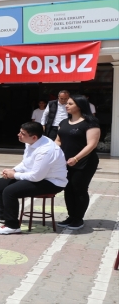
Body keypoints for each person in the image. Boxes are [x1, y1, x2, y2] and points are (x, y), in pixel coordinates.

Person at [0, 122, 67, 234]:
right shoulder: (30, 141)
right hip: (38, 176)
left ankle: (12, 226)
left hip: (52, 182)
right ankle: (1, 215)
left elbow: (36, 176)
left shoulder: (46, 150)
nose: (18, 134)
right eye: (20, 131)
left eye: (22, 133)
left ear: (34, 137)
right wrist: (13, 170)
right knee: (0, 184)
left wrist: (14, 175)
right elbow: (26, 163)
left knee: (10, 191)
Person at [55, 95, 101, 230]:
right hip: (65, 162)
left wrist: (76, 158)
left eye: (70, 103)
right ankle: (71, 216)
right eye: (66, 104)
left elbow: (91, 145)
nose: (66, 105)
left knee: (79, 189)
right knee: (68, 189)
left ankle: (78, 219)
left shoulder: (90, 123)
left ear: (79, 106)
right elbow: (58, 140)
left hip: (84, 162)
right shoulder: (64, 122)